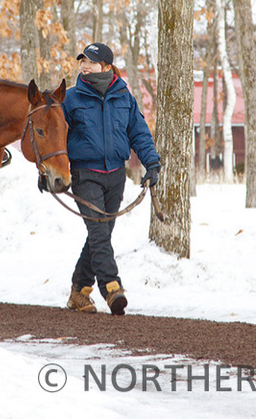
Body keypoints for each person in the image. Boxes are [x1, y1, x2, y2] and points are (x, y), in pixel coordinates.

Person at [59, 42, 160, 316]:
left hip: (116, 174)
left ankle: (79, 292)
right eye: (82, 61)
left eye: (90, 62)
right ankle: (112, 288)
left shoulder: (124, 96)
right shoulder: (70, 98)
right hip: (85, 174)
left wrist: (152, 163)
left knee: (100, 234)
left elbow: (139, 132)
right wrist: (47, 171)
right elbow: (54, 136)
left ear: (105, 66)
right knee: (99, 232)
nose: (84, 66)